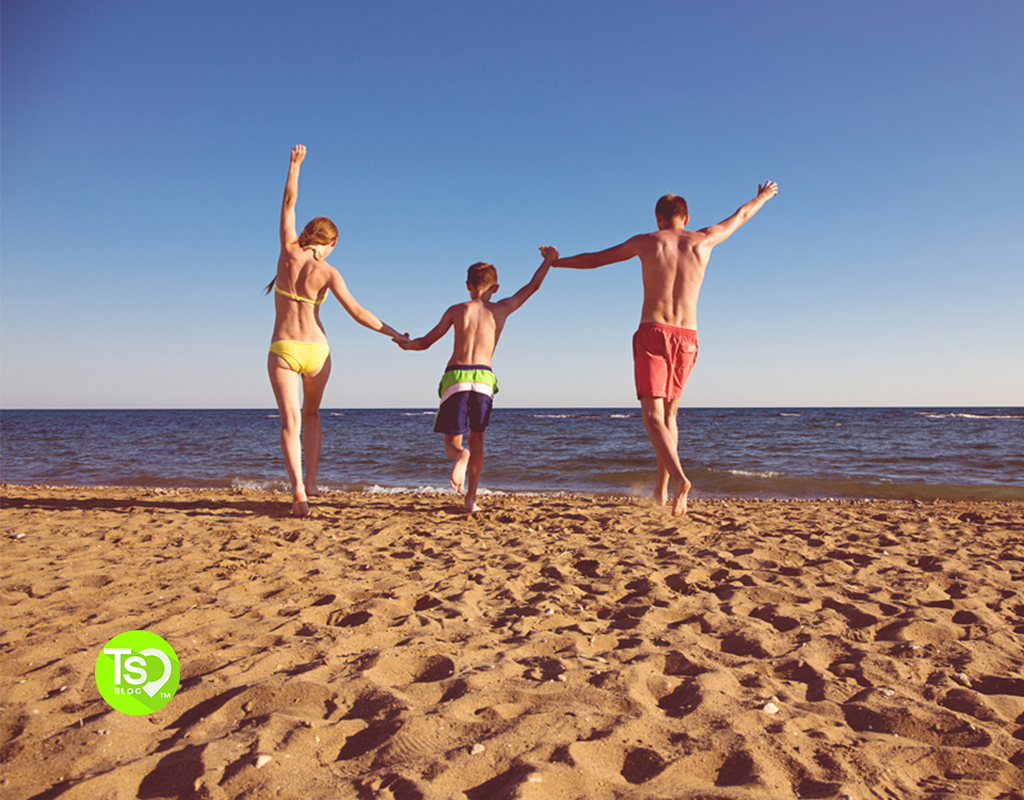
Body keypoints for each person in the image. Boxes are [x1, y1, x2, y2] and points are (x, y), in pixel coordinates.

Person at [554, 182, 778, 516]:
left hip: (653, 332)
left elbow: (596, 260)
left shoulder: (647, 242)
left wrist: (557, 262)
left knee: (651, 418)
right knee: (669, 416)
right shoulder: (703, 239)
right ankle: (662, 489)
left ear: (658, 218)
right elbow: (741, 216)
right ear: (686, 218)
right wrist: (763, 196)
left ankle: (680, 480)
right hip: (688, 337)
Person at [267, 145, 408, 517]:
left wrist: (294, 165)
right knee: (311, 417)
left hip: (283, 348)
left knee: (289, 422)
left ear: (306, 234)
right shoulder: (329, 272)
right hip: (317, 351)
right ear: (332, 243)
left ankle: (299, 491)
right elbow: (359, 313)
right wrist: (396, 335)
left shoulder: (286, 251)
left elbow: (288, 201)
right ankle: (312, 482)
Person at [398, 247, 560, 512]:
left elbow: (425, 342)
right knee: (478, 440)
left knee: (454, 443)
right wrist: (550, 260)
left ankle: (460, 456)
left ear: (467, 285)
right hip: (484, 378)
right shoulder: (503, 308)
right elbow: (532, 286)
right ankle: (471, 499)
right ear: (495, 288)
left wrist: (407, 343)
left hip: (456, 376)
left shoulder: (457, 310)